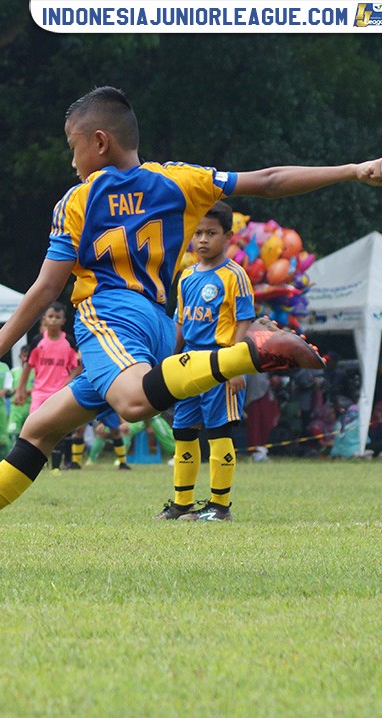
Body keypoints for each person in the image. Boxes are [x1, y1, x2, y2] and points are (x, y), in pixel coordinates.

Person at [0, 85, 382, 568]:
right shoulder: (182, 181)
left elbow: (46, 288)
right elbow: (270, 180)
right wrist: (354, 170)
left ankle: (252, 350)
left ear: (99, 142)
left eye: (72, 146)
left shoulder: (78, 200)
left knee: (131, 402)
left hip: (108, 316)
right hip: (157, 322)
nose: (71, 159)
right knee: (40, 429)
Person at [154, 201, 254, 520]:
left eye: (211, 233)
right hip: (188, 365)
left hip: (221, 363)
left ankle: (219, 507)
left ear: (228, 236)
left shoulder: (235, 275)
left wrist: (235, 364)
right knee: (183, 431)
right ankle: (182, 503)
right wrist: (165, 360)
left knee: (218, 432)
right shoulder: (185, 278)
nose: (203, 240)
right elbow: (180, 325)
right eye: (197, 233)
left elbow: (244, 322)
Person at [16, 304, 80, 472]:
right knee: (33, 427)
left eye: (57, 317)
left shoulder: (69, 342)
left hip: (59, 392)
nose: (53, 320)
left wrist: (69, 381)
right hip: (39, 393)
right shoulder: (38, 341)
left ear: (63, 321)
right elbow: (28, 366)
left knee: (58, 428)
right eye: (50, 316)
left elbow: (77, 366)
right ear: (44, 319)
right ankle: (31, 464)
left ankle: (56, 467)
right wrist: (20, 389)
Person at [6, 344, 34, 448]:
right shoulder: (14, 372)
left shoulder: (35, 372)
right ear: (20, 356)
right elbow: (8, 388)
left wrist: (27, 391)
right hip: (16, 406)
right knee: (13, 432)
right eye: (24, 356)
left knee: (30, 433)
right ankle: (11, 456)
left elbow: (39, 387)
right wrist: (19, 390)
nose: (25, 359)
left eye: (28, 356)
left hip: (30, 405)